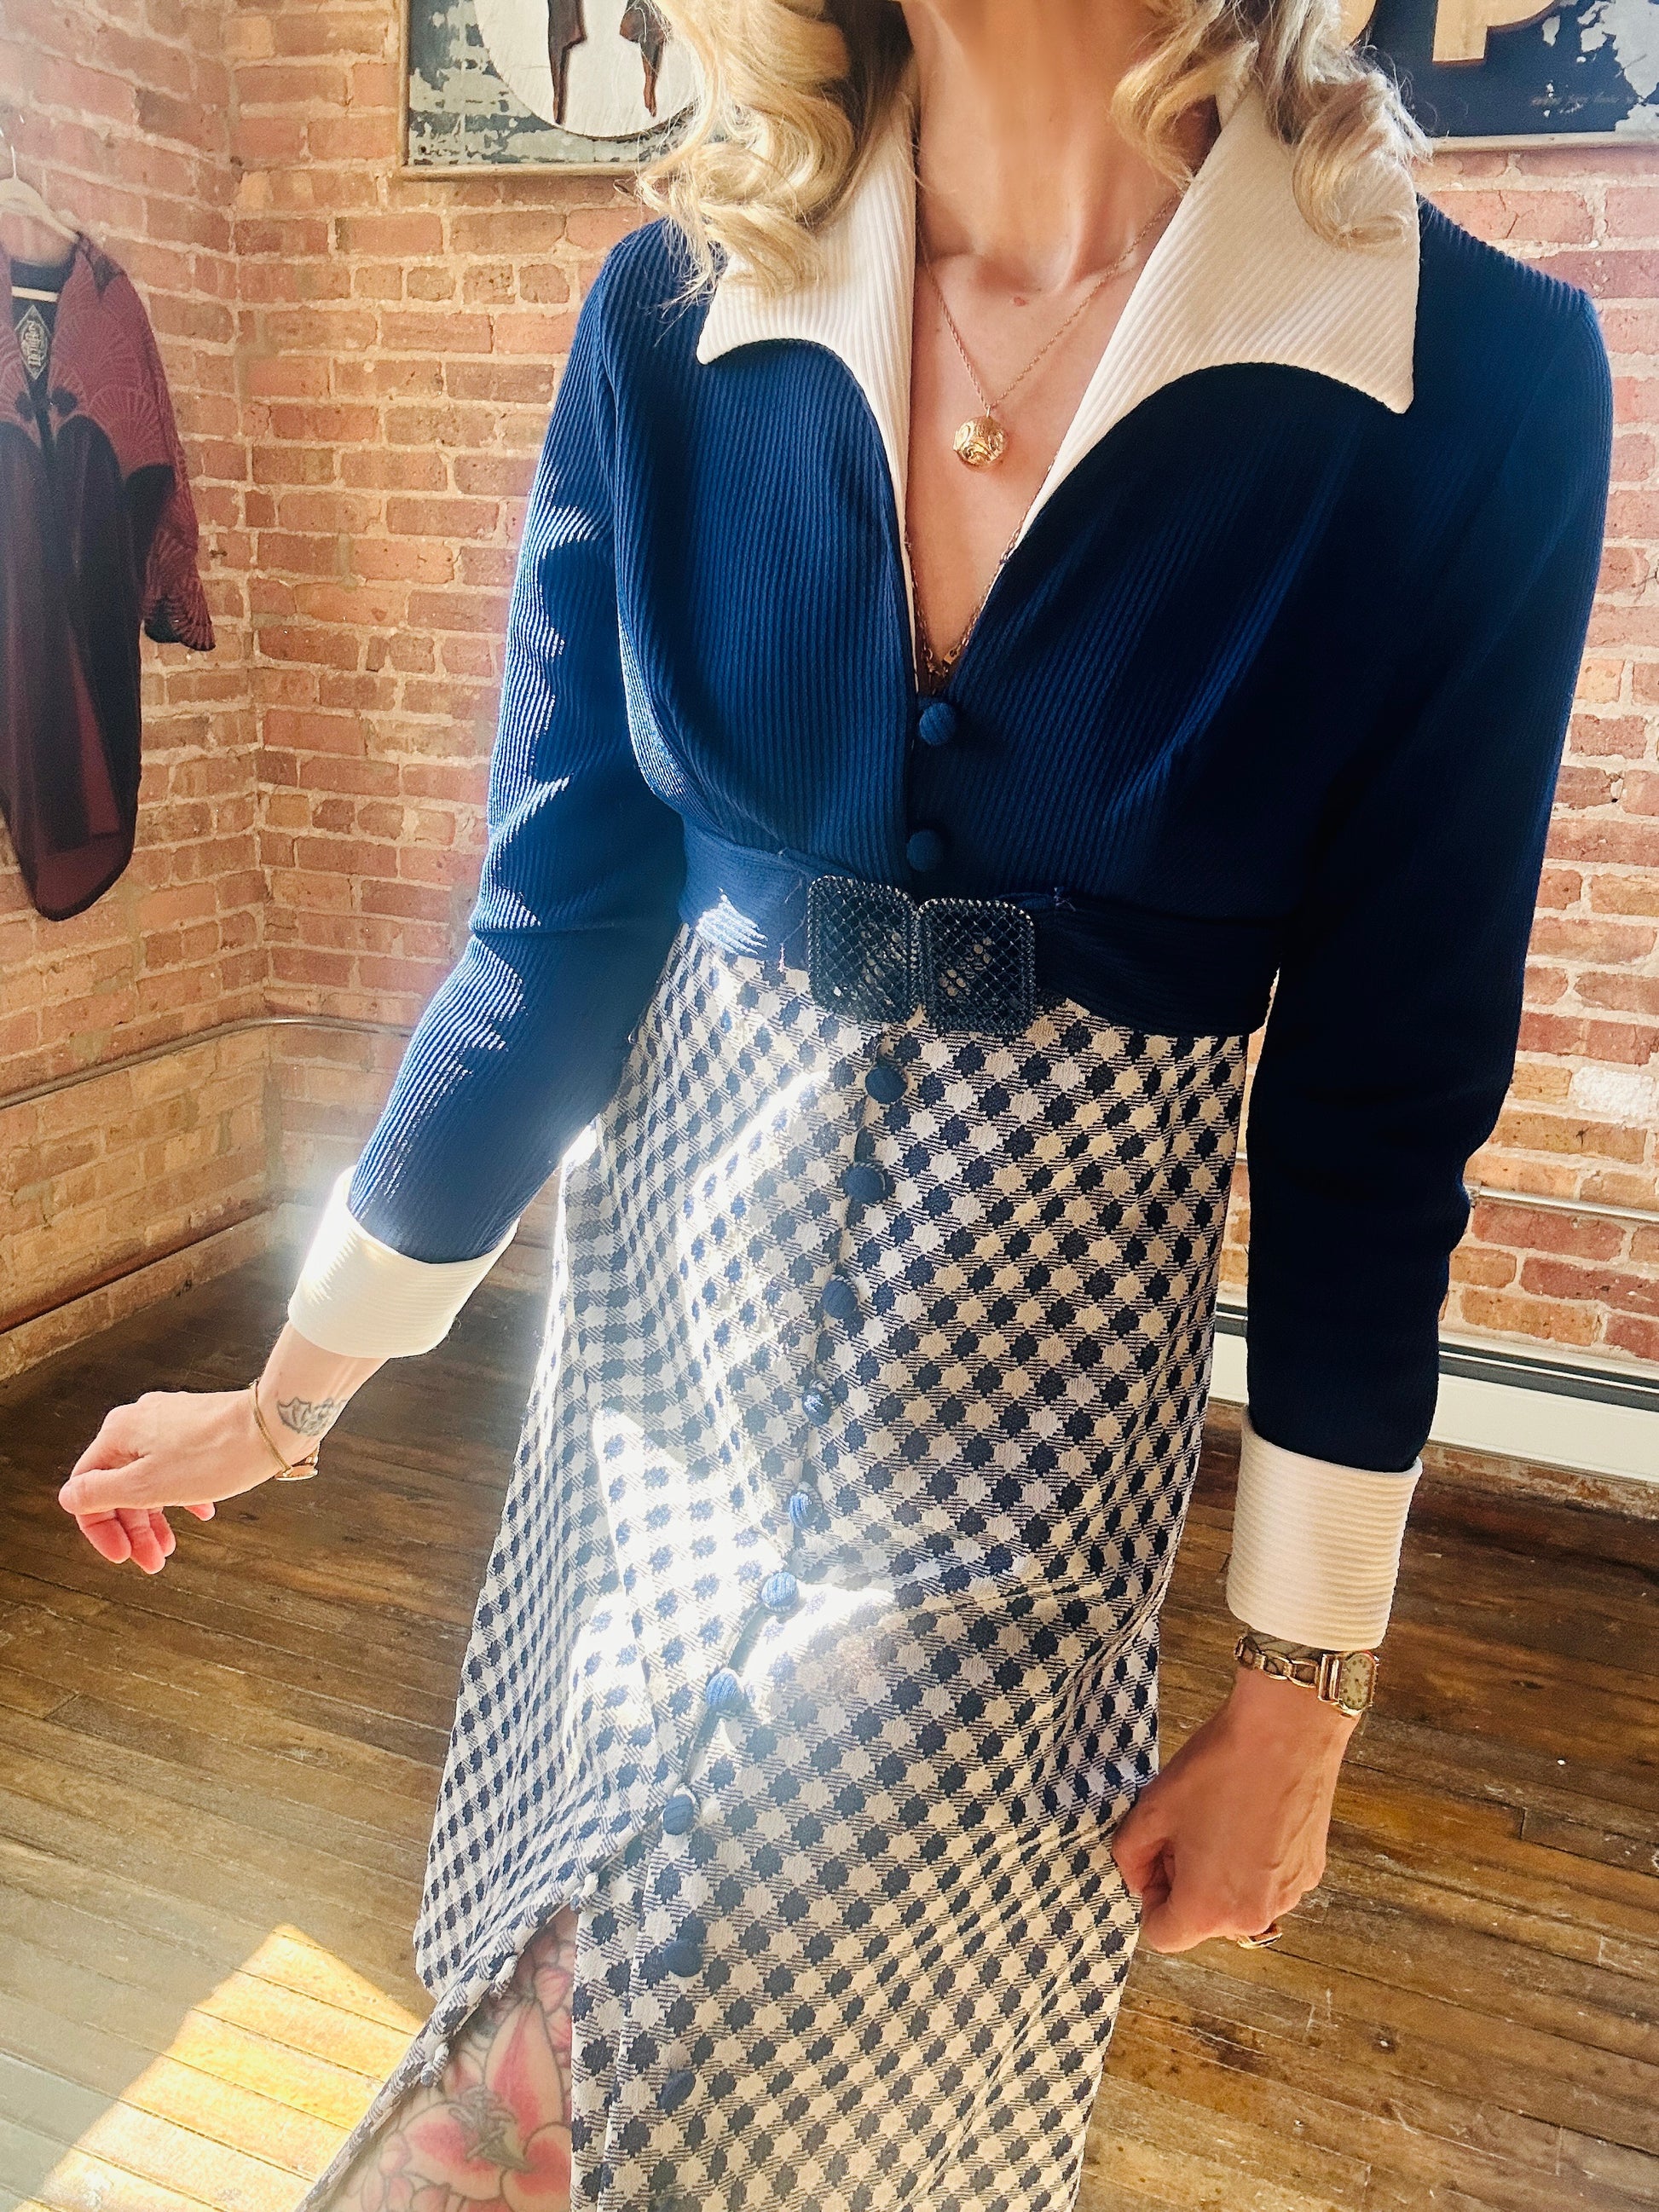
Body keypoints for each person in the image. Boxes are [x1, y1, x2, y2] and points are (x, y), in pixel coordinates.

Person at [59, 2, 1611, 2207]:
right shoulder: (676, 308)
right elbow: (555, 927)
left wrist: (1297, 1685)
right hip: (646, 1410)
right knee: (551, 2015)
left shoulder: (1469, 380)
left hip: (1021, 1467)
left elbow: (1382, 1098)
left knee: (819, 2102)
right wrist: (289, 1399)